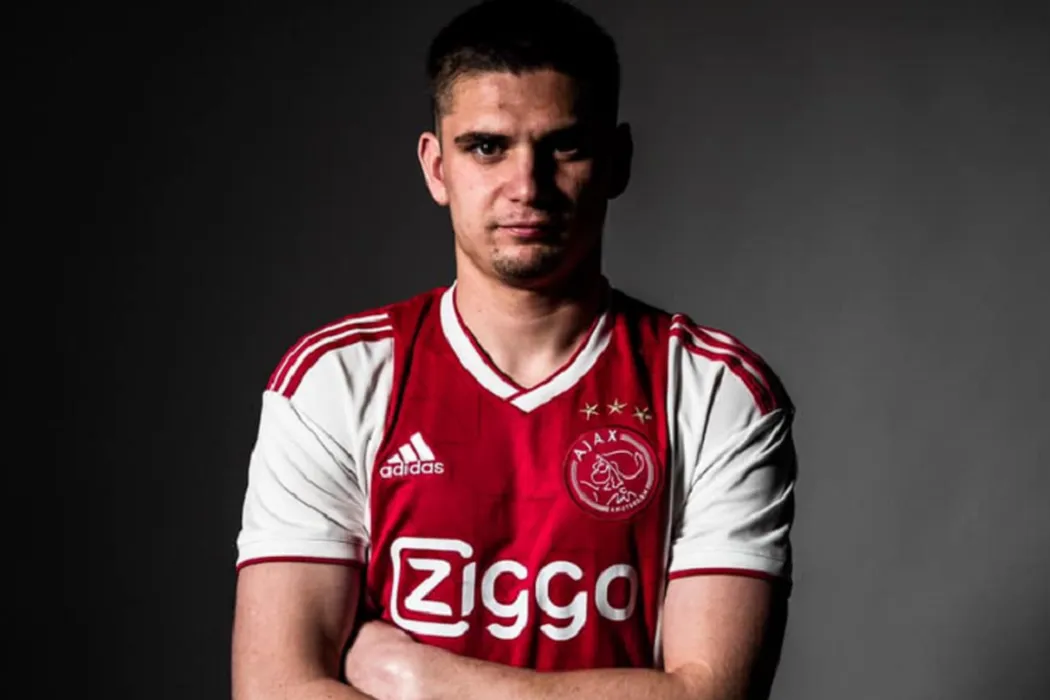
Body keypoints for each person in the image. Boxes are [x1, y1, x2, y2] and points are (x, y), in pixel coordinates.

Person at [230, 1, 798, 698]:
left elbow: (711, 694)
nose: (527, 186)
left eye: (566, 146)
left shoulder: (715, 391)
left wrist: (419, 677)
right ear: (437, 167)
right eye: (486, 147)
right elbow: (275, 688)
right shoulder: (335, 379)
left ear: (617, 162)